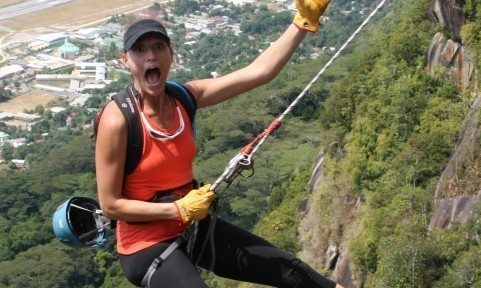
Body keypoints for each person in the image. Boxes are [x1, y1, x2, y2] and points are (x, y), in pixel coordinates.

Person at [94, 0, 340, 287]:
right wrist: (178, 210)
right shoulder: (117, 120)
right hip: (145, 244)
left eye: (158, 47)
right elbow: (110, 206)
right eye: (140, 50)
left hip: (192, 224)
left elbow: (259, 72)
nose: (151, 57)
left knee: (292, 270)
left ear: (171, 54)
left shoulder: (185, 98)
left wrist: (301, 23)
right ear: (126, 59)